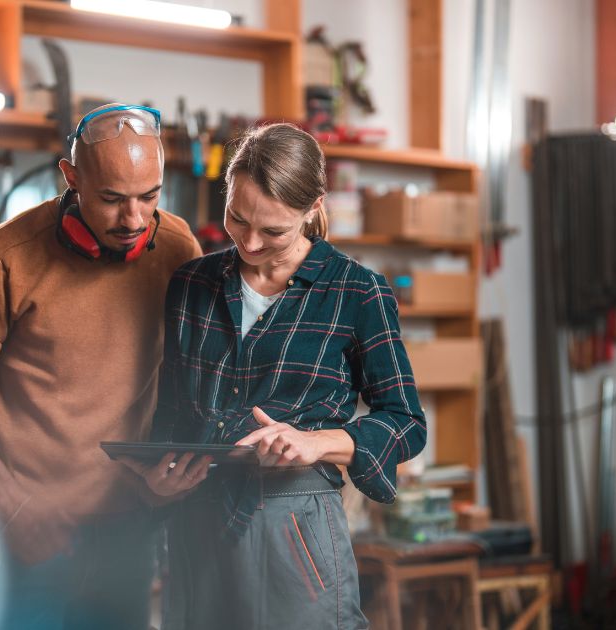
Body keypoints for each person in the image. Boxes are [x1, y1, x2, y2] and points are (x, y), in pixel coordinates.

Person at [124, 122, 427, 629]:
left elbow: (407, 422)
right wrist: (158, 477)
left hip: (295, 526)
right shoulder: (191, 284)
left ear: (312, 211)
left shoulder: (357, 292)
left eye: (273, 231)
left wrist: (316, 442)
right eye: (237, 220)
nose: (249, 242)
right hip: (196, 522)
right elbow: (173, 410)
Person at [0, 103, 202, 629]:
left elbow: (184, 377)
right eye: (113, 199)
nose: (135, 219)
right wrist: (9, 503)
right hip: (28, 534)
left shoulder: (177, 247)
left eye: (150, 196)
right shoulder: (5, 257)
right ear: (70, 177)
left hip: (129, 529)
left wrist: (172, 471)